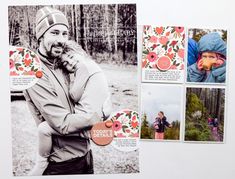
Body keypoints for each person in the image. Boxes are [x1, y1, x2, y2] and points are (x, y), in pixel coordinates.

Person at [23, 6, 110, 175]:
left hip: (86, 155)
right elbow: (62, 123)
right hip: (62, 165)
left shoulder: (65, 64)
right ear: (41, 35)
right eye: (54, 33)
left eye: (65, 34)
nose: (61, 39)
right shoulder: (34, 73)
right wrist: (97, 116)